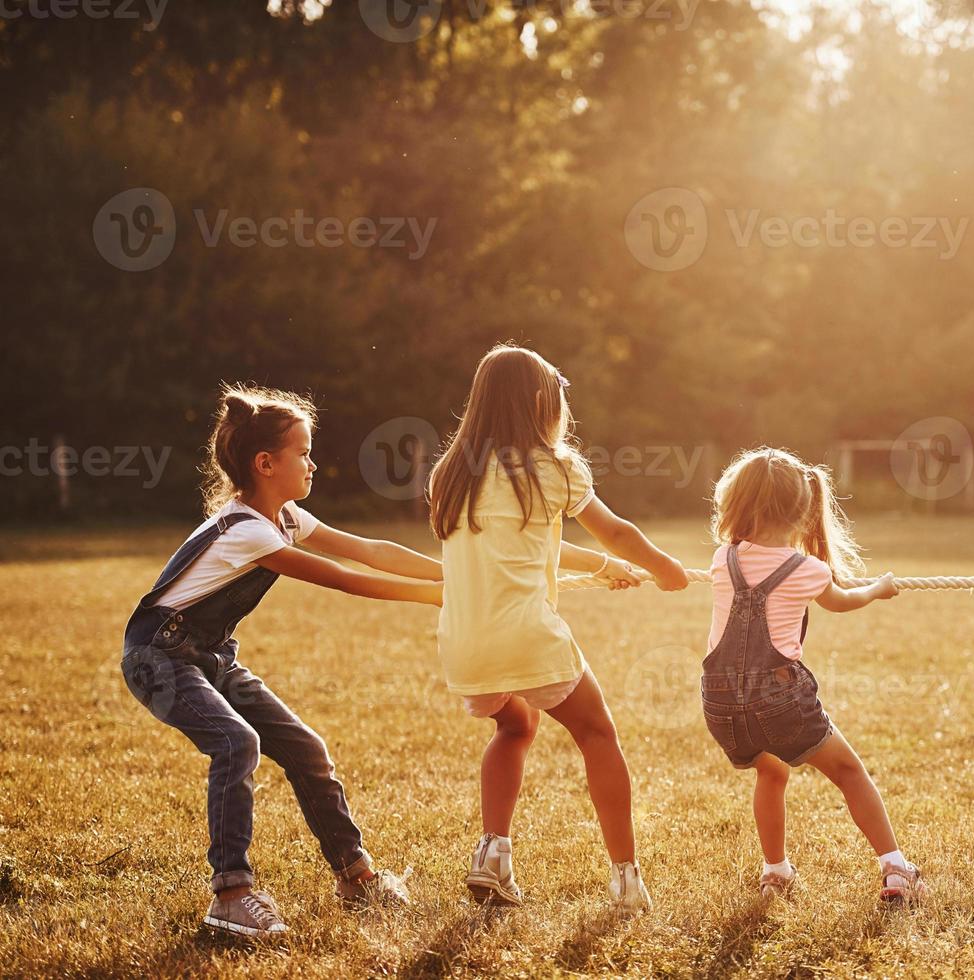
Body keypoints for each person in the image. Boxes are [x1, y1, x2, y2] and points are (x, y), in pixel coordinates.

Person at [121, 385, 441, 938]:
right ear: (265, 463)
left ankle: (357, 878)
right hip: (158, 658)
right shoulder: (246, 530)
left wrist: (451, 572)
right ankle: (231, 895)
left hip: (208, 657)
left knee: (305, 749)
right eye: (304, 452)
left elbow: (367, 550)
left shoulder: (284, 516)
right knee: (235, 742)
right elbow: (347, 579)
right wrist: (441, 597)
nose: (314, 462)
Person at [429, 344, 688, 913]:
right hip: (526, 634)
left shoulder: (450, 474)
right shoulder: (553, 467)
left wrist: (604, 568)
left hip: (464, 642)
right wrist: (663, 568)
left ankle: (492, 854)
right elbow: (614, 530)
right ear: (540, 403)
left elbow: (525, 540)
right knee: (598, 734)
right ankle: (626, 879)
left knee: (514, 727)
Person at [701, 447, 926, 904]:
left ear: (736, 504)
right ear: (803, 510)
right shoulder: (809, 569)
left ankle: (775, 872)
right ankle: (897, 869)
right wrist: (878, 589)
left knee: (771, 771)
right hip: (780, 702)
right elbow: (843, 601)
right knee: (847, 770)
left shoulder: (722, 558)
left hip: (721, 704)